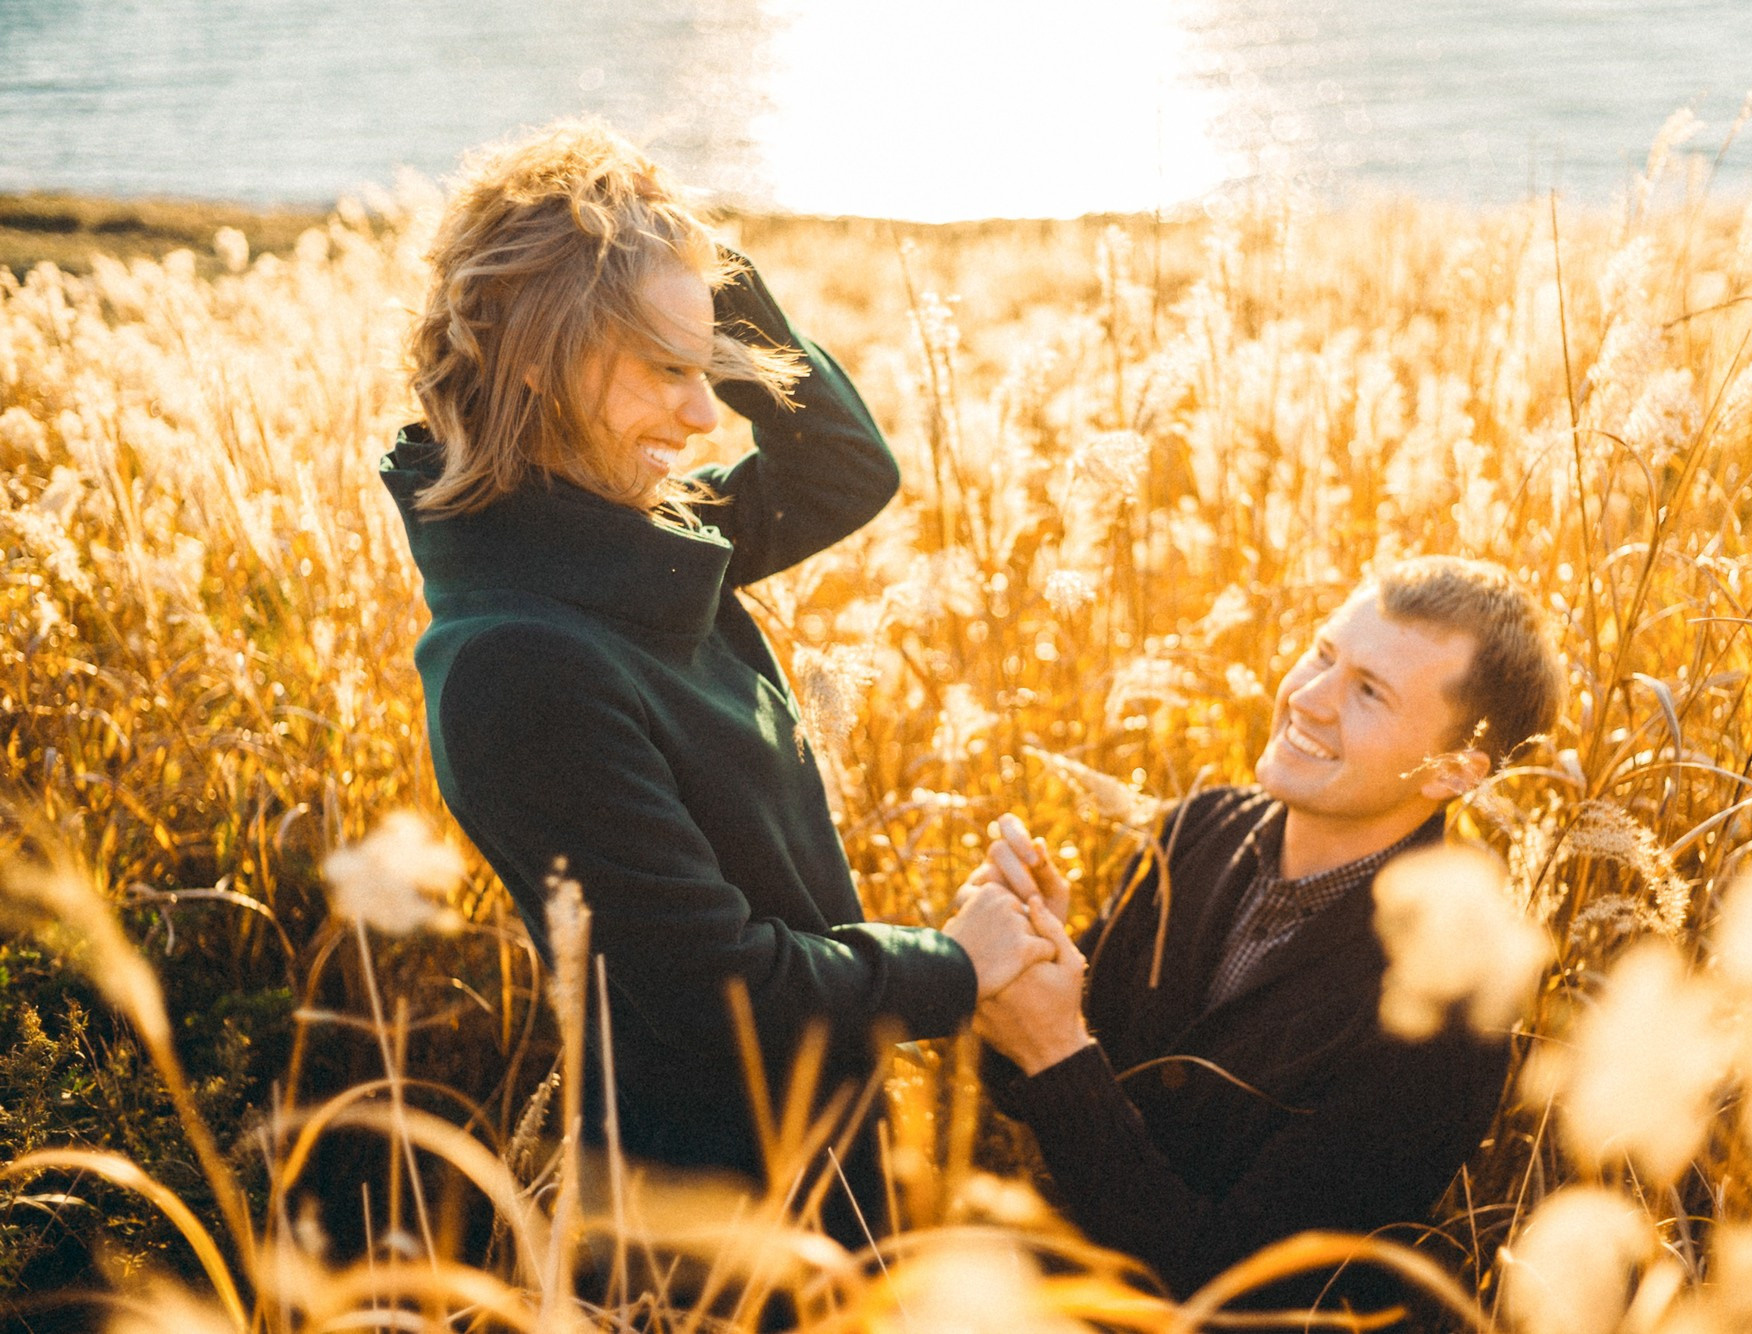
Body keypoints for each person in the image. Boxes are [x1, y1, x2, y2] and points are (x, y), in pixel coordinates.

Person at [378, 121, 1050, 1241]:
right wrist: (953, 969)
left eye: (706, 369)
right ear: (540, 357)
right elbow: (720, 992)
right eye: (667, 371)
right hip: (714, 1205)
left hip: (809, 1129)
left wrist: (671, 252)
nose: (702, 417)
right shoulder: (523, 661)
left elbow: (840, 465)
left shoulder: (620, 535)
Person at [972, 556, 1564, 1306]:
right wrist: (1024, 962)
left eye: (1369, 692)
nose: (1308, 698)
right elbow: (1025, 1088)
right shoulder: (1197, 831)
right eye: (1322, 654)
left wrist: (1055, 1051)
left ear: (1451, 772)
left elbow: (1235, 1294)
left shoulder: (1444, 1002)